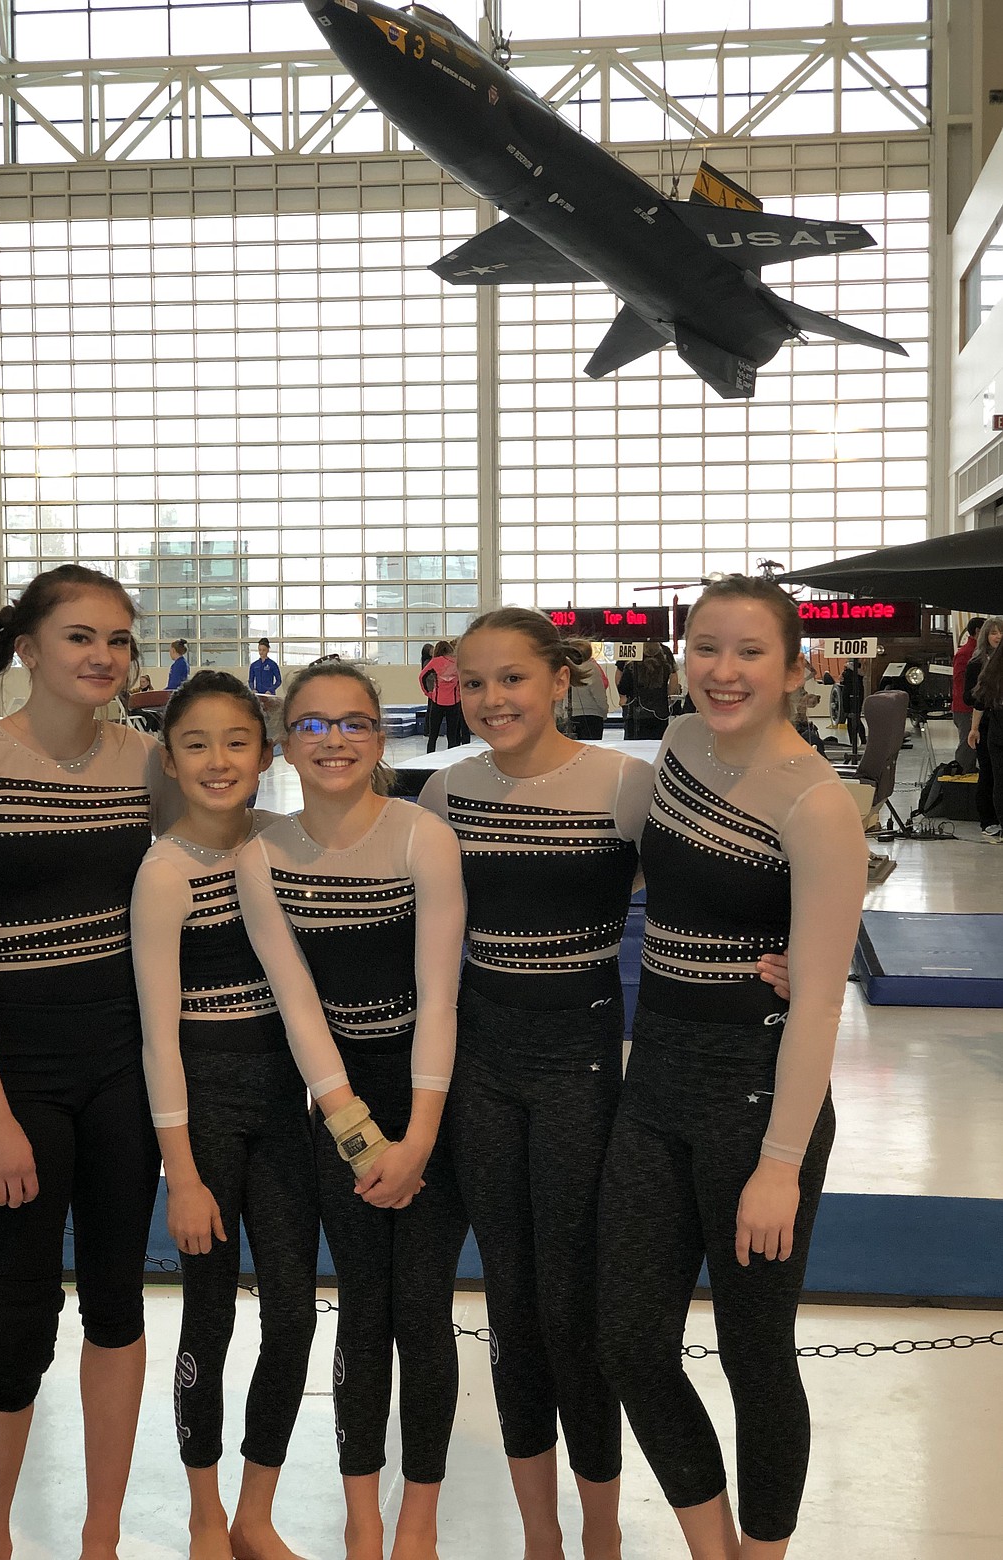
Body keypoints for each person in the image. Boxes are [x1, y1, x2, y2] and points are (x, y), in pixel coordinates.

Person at [598, 575, 868, 1559]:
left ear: (796, 669)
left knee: (757, 1358)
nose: (723, 670)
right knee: (627, 1340)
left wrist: (780, 1161)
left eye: (750, 651)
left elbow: (824, 1001)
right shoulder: (676, 748)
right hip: (656, 1081)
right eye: (706, 647)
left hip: (755, 1099)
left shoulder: (817, 802)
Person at [0, 564, 178, 1560]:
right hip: (21, 1078)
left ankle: (101, 1536)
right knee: (19, 1316)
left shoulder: (143, 762)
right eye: (81, 637)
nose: (104, 656)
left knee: (116, 1303)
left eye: (117, 638)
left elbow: (198, 883)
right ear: (28, 647)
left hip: (121, 1071)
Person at [419, 606, 653, 1560]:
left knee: (572, 1301)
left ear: (561, 680)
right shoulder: (445, 793)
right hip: (482, 1062)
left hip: (580, 1063)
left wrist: (789, 957)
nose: (490, 699)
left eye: (511, 678)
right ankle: (541, 1535)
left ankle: (602, 1529)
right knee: (511, 1300)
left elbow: (711, 898)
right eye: (472, 683)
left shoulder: (624, 786)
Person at [236, 663, 469, 1560]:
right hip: (339, 1109)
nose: (334, 741)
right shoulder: (261, 854)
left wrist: (417, 1139)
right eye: (313, 726)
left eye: (355, 725)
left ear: (383, 737)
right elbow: (298, 1004)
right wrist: (359, 1134)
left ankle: (420, 1519)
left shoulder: (422, 835)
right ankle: (361, 1517)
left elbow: (439, 997)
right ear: (284, 742)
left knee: (423, 1311)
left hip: (430, 1097)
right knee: (364, 1309)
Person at [131, 670, 318, 1560]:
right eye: (196, 744)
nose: (218, 761)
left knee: (293, 1314)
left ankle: (256, 1509)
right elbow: (158, 1039)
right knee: (209, 1314)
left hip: (285, 1105)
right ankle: (204, 1511)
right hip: (203, 1107)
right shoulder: (165, 873)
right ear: (170, 759)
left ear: (267, 753)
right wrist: (183, 1173)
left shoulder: (281, 844)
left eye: (236, 742)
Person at [967, 617, 1003, 840]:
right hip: (994, 728)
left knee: (998, 779)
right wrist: (974, 728)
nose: (998, 637)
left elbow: (980, 700)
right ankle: (990, 821)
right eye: (993, 633)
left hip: (996, 727)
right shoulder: (978, 663)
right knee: (992, 777)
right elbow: (976, 700)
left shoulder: (991, 668)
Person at [619, 641, 676, 740]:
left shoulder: (632, 667)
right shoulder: (666, 667)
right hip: (660, 713)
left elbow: (623, 689)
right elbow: (672, 680)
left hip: (637, 713)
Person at [952, 617, 985, 773]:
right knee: (967, 746)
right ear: (978, 632)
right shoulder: (966, 653)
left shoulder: (979, 652)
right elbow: (959, 682)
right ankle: (961, 779)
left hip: (973, 707)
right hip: (966, 709)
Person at [420, 639, 465, 753]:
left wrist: (428, 693)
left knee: (433, 735)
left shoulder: (435, 661)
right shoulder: (456, 662)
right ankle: (452, 757)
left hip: (437, 701)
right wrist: (460, 693)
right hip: (454, 702)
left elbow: (422, 677)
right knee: (452, 735)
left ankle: (429, 757)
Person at [558, 643, 609, 739]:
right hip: (592, 717)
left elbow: (558, 693)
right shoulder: (592, 668)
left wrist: (559, 714)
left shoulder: (563, 668)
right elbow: (598, 694)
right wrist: (604, 712)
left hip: (568, 716)